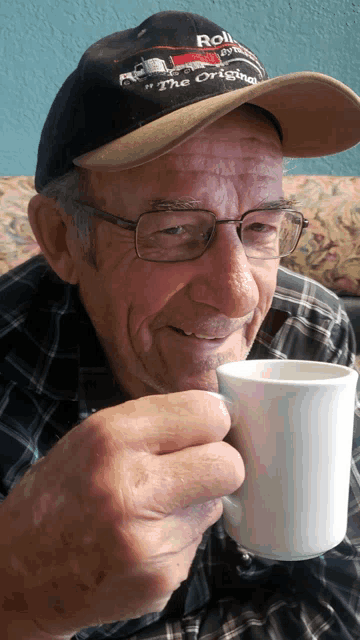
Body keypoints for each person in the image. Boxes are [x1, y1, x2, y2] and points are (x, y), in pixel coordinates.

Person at [0, 9, 360, 639]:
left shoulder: (309, 331)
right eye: (173, 231)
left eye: (260, 229)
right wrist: (18, 602)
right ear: (62, 239)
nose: (240, 294)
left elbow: (341, 602)